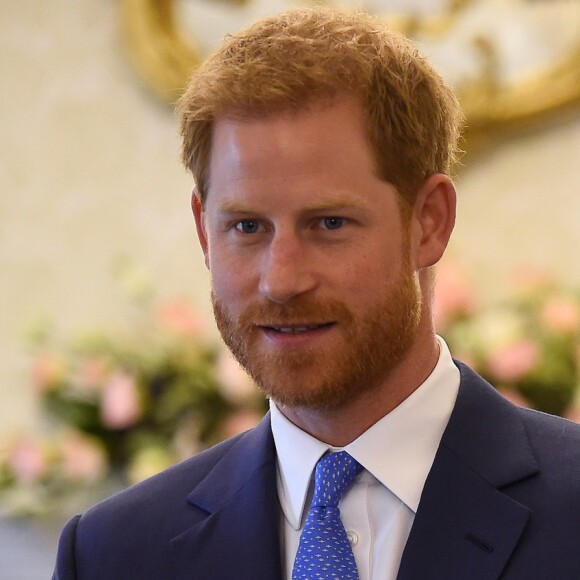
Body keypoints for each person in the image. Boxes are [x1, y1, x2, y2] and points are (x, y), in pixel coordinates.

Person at [53, 7, 580, 580]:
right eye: (247, 227)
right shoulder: (114, 553)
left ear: (429, 222)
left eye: (329, 224)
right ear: (205, 231)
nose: (282, 280)